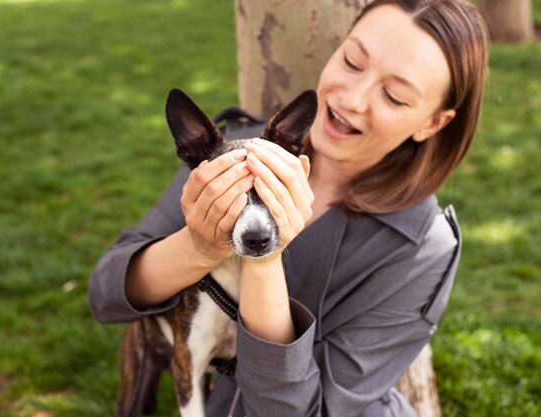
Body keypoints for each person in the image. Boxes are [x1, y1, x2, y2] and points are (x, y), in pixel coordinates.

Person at [88, 0, 488, 416]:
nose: (352, 99)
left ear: (432, 123)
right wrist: (199, 247)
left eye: (394, 95)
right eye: (352, 61)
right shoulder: (233, 150)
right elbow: (105, 296)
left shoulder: (423, 248)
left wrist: (263, 257)